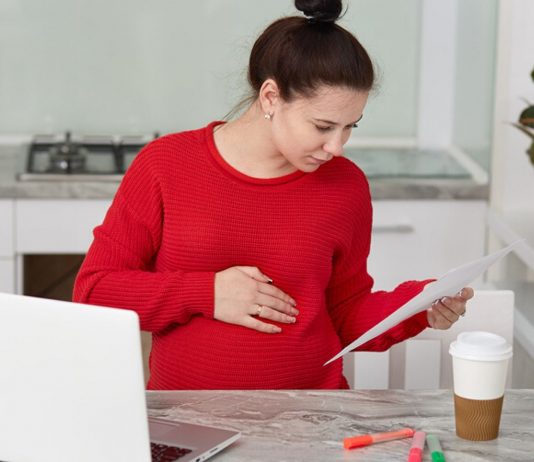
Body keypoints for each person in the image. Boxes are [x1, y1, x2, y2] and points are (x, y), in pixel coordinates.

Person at [73, 0, 473, 390]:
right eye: (322, 126)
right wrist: (207, 293)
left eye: (351, 126)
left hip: (312, 420)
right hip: (186, 422)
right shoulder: (166, 165)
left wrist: (416, 306)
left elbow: (343, 314)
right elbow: (94, 292)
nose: (337, 146)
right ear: (270, 97)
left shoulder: (345, 185)